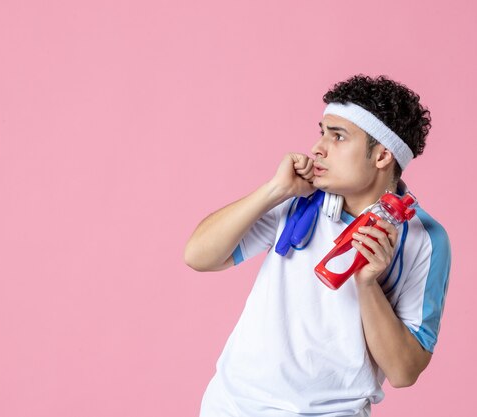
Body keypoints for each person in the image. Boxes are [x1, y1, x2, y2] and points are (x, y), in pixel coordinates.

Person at [184, 74, 451, 417]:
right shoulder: (297, 197)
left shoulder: (424, 239)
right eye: (322, 131)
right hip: (231, 406)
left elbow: (403, 371)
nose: (317, 148)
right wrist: (274, 191)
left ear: (382, 156)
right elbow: (198, 256)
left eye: (338, 137)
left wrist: (368, 283)